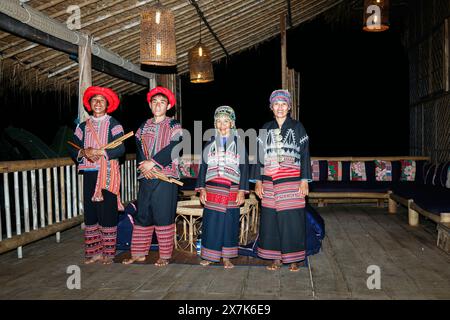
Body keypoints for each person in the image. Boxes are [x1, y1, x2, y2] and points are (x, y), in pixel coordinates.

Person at [122, 86, 183, 267]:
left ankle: (164, 255)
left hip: (166, 176)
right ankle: (139, 253)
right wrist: (144, 166)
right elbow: (139, 148)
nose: (158, 105)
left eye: (162, 102)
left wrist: (154, 162)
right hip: (147, 176)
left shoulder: (174, 125)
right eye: (155, 102)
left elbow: (176, 146)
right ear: (150, 105)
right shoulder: (144, 126)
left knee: (163, 214)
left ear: (168, 106)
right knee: (143, 214)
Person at [254, 89, 312, 272]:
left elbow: (304, 155)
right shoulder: (265, 128)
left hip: (291, 181)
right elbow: (259, 157)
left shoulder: (297, 127)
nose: (280, 107)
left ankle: (293, 259)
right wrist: (257, 181)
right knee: (271, 219)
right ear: (271, 107)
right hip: (269, 181)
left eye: (284, 104)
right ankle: (276, 258)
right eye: (276, 104)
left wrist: (304, 180)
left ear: (289, 107)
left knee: (292, 219)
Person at [69, 86, 125, 265]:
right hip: (90, 174)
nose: (98, 103)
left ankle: (109, 253)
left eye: (102, 100)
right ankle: (94, 252)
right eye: (95, 100)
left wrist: (100, 152)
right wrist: (84, 152)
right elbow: (72, 147)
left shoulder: (114, 124)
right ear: (90, 104)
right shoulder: (83, 126)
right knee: (91, 212)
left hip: (107, 173)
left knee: (107, 211)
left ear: (107, 104)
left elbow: (121, 147)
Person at [195, 106, 249, 269]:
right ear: (215, 124)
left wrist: (242, 191)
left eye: (226, 121)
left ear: (232, 123)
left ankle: (227, 257)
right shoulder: (209, 143)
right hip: (213, 189)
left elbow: (245, 168)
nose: (222, 124)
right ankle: (210, 256)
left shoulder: (239, 143)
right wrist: (202, 188)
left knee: (229, 223)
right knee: (211, 223)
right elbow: (203, 167)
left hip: (232, 189)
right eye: (219, 121)